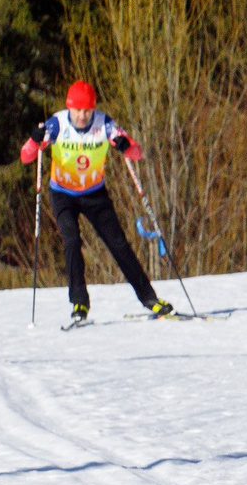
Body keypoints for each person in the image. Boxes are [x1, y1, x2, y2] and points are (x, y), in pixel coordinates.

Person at [19, 80, 174, 326]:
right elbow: (26, 156)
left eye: (87, 110)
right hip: (63, 194)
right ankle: (79, 303)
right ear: (69, 108)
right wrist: (34, 140)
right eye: (77, 110)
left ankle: (149, 299)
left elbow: (137, 153)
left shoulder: (104, 124)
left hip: (95, 195)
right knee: (71, 240)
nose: (82, 116)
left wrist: (127, 146)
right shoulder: (57, 124)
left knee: (119, 244)